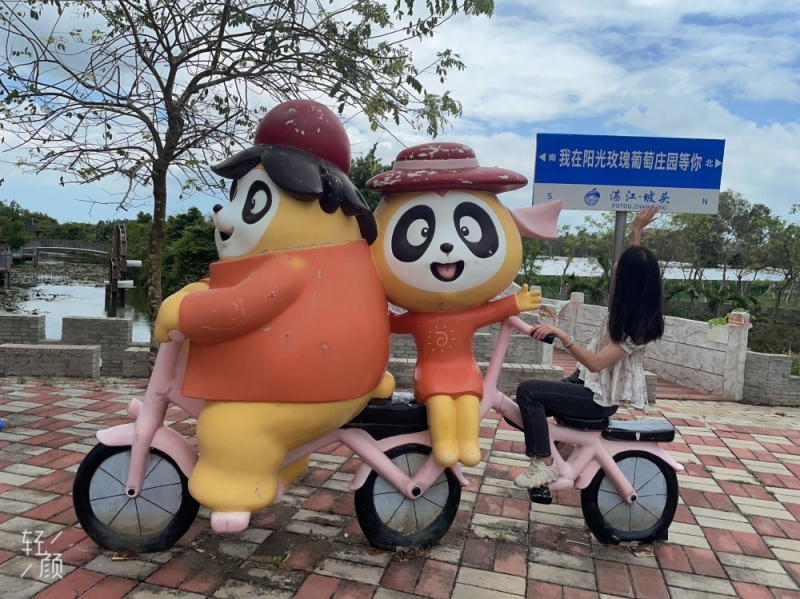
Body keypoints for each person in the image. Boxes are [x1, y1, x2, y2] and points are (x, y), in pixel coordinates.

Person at [513, 206, 664, 489]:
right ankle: (558, 449)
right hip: (587, 382)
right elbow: (625, 268)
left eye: (622, 269)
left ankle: (543, 463)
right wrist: (636, 231)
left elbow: (596, 363)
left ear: (630, 282)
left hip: (598, 398)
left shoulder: (638, 327)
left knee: (529, 392)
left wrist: (563, 335)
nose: (615, 269)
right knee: (520, 410)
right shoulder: (631, 303)